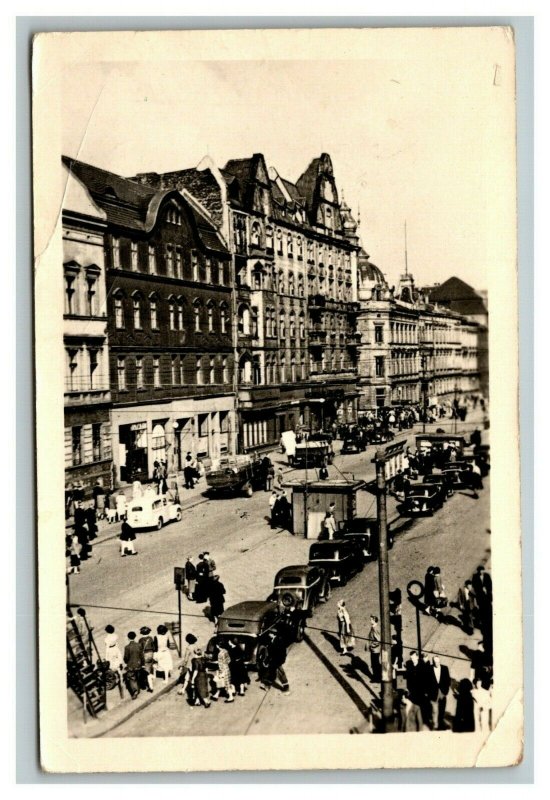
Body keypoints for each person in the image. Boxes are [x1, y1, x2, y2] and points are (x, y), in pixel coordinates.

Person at [425, 655, 451, 730]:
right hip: (433, 693)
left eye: (438, 662)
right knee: (434, 710)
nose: (437, 663)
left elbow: (448, 680)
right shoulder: (429, 668)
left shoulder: (445, 668)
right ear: (433, 662)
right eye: (435, 662)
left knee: (442, 709)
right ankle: (435, 725)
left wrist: (446, 691)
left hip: (442, 692)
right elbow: (427, 682)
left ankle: (441, 722)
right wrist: (428, 692)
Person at [123, 631, 143, 700]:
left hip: (131, 666)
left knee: (131, 678)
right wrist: (142, 663)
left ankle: (135, 691)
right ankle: (138, 687)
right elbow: (141, 656)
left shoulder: (127, 647)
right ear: (135, 637)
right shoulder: (139, 645)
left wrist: (126, 662)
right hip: (138, 664)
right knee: (137, 676)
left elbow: (126, 658)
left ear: (128, 638)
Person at [138, 626, 156, 692]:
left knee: (145, 671)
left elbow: (140, 649)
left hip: (145, 655)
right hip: (151, 654)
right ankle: (152, 677)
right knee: (149, 667)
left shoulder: (140, 640)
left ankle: (150, 686)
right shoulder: (151, 638)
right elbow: (154, 648)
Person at [366, 615, 381, 682]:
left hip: (375, 649)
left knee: (375, 664)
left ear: (374, 620)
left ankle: (377, 677)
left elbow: (378, 640)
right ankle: (376, 676)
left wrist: (372, 645)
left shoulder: (375, 628)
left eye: (371, 620)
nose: (370, 621)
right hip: (375, 649)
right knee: (374, 663)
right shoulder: (374, 627)